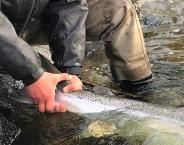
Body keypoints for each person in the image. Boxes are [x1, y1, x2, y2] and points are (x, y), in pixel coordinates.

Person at [0, 0, 152, 113]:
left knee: (118, 9)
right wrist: (33, 74)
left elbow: (69, 4)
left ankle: (140, 94)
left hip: (34, 19)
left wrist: (69, 71)